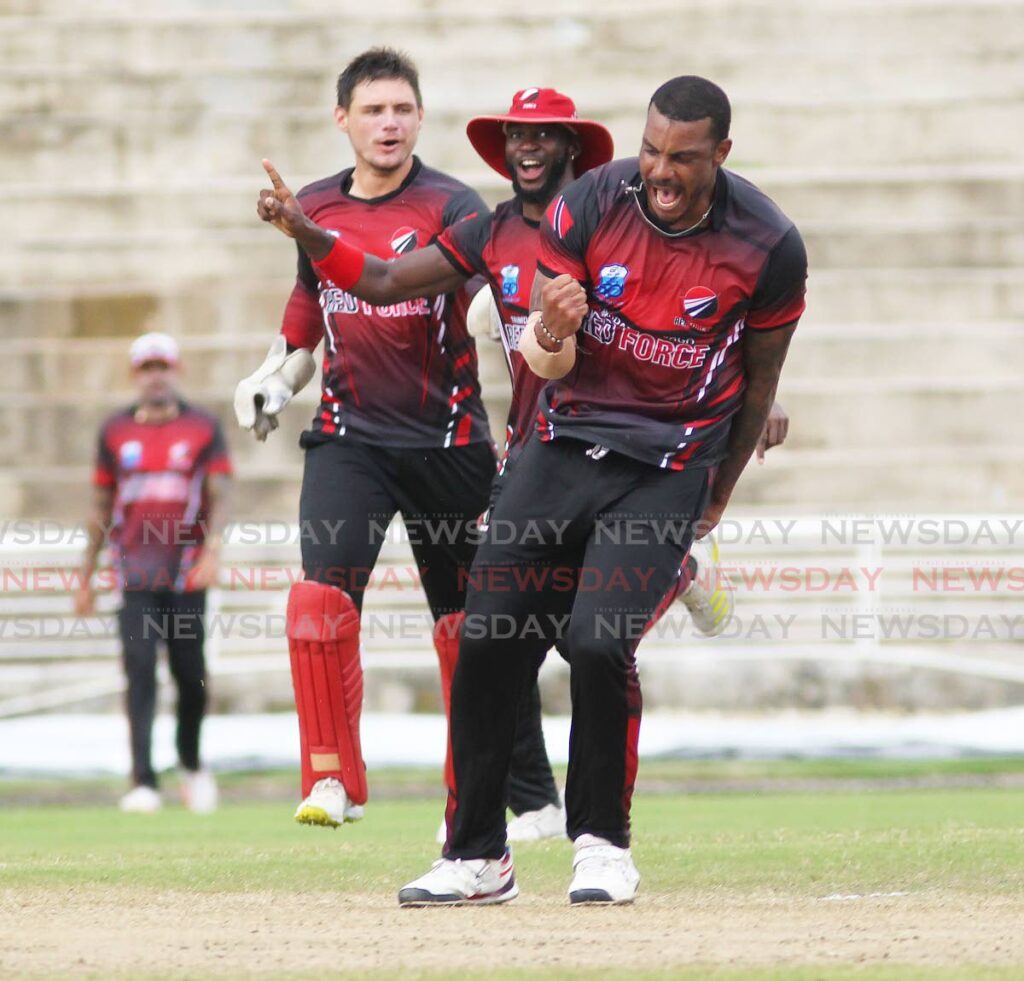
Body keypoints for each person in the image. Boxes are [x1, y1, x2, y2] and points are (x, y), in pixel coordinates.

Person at [257, 87, 789, 839]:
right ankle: (474, 829)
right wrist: (308, 234)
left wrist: (752, 399)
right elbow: (378, 280)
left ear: (575, 151)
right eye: (516, 136)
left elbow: (694, 316)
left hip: (630, 459)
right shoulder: (488, 231)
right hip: (538, 456)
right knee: (498, 633)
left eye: (545, 136)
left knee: (584, 641)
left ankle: (580, 820)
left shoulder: (613, 221)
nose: (529, 147)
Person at [395, 75, 807, 906]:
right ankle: (478, 853)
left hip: (670, 463)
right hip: (566, 436)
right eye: (651, 149)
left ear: (720, 155)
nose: (660, 169)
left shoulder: (769, 243)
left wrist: (715, 496)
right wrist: (552, 322)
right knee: (489, 631)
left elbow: (762, 385)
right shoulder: (589, 201)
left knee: (595, 639)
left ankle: (602, 845)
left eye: (682, 158)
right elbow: (546, 362)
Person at [234, 47, 504, 831]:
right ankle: (331, 780)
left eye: (402, 110)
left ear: (420, 118)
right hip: (349, 438)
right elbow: (307, 300)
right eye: (374, 109)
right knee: (319, 601)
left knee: (468, 630)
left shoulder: (457, 206)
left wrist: (509, 322)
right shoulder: (313, 203)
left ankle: (472, 800)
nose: (389, 123)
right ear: (342, 118)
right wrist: (278, 379)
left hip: (449, 444)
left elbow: (485, 297)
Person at [75, 331, 232, 814]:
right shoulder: (115, 432)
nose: (156, 375)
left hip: (185, 573)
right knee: (139, 672)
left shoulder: (203, 427)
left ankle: (189, 763)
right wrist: (86, 575)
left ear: (175, 370)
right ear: (135, 375)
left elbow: (220, 495)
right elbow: (102, 504)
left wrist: (213, 552)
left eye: (162, 366)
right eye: (147, 367)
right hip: (134, 575)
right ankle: (143, 780)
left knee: (190, 675)